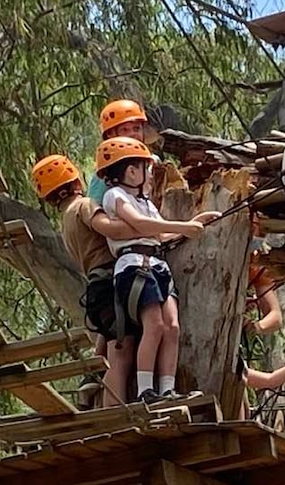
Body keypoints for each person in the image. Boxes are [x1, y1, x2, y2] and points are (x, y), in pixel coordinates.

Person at [95, 137, 219, 403]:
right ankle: (144, 391)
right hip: (135, 266)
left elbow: (160, 233)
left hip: (157, 265)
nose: (150, 177)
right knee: (154, 324)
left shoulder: (148, 203)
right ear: (131, 172)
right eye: (147, 170)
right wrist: (185, 228)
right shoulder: (115, 196)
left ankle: (167, 389)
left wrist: (195, 222)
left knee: (172, 326)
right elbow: (141, 225)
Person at [31, 154, 157, 408]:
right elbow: (108, 228)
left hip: (96, 286)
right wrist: (150, 228)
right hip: (110, 279)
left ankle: (95, 387)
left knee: (115, 347)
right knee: (121, 352)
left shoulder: (65, 220)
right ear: (76, 181)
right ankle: (117, 414)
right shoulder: (84, 206)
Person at [88, 99, 159, 205]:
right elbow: (94, 209)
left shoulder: (153, 162)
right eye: (125, 130)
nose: (133, 134)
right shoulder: (107, 172)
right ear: (110, 135)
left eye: (136, 129)